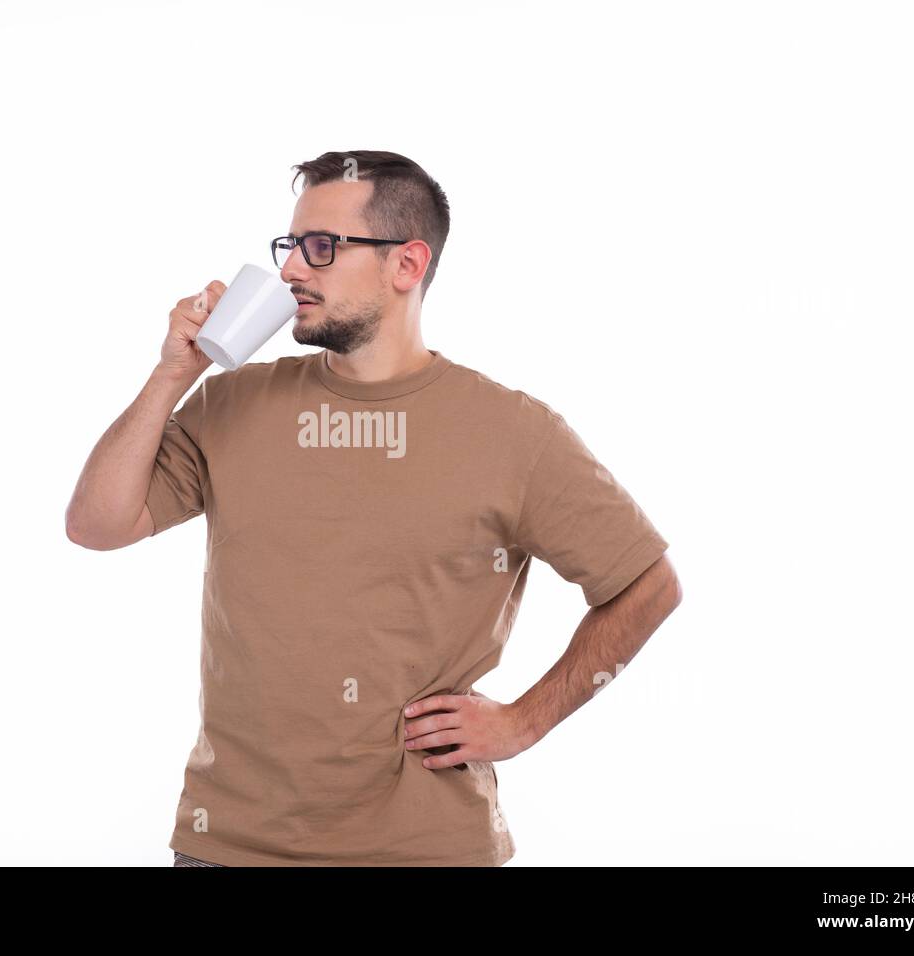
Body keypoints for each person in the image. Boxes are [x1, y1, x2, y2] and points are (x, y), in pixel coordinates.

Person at [65, 150, 682, 867]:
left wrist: (525, 721)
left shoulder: (514, 432)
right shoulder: (232, 403)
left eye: (322, 248)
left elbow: (648, 584)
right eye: (290, 246)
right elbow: (96, 525)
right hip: (229, 846)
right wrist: (174, 370)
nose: (293, 270)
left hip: (424, 851)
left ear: (407, 265)